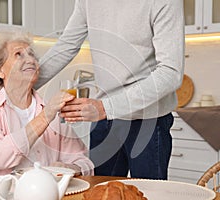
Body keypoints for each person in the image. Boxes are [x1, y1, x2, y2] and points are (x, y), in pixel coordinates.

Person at [35, 0, 184, 179]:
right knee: (99, 191)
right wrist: (22, 85)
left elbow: (170, 73)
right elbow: (66, 45)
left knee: (149, 193)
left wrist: (106, 108)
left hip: (148, 120)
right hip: (104, 121)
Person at [0, 31, 94, 186]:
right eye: (18, 54)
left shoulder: (52, 110)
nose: (30, 60)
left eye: (32, 55)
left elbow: (85, 162)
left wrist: (69, 167)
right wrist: (46, 116)